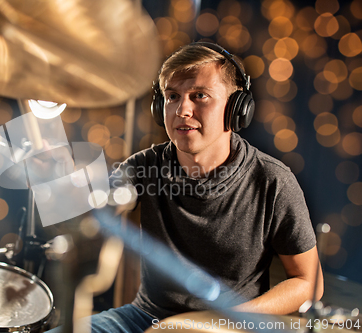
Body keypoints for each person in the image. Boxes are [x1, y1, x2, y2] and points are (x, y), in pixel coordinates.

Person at [47, 41, 323, 333]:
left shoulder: (273, 181)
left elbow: (308, 283)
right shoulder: (144, 167)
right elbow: (79, 218)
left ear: (236, 109)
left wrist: (229, 318)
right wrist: (57, 178)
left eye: (199, 96)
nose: (182, 110)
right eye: (172, 96)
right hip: (146, 320)